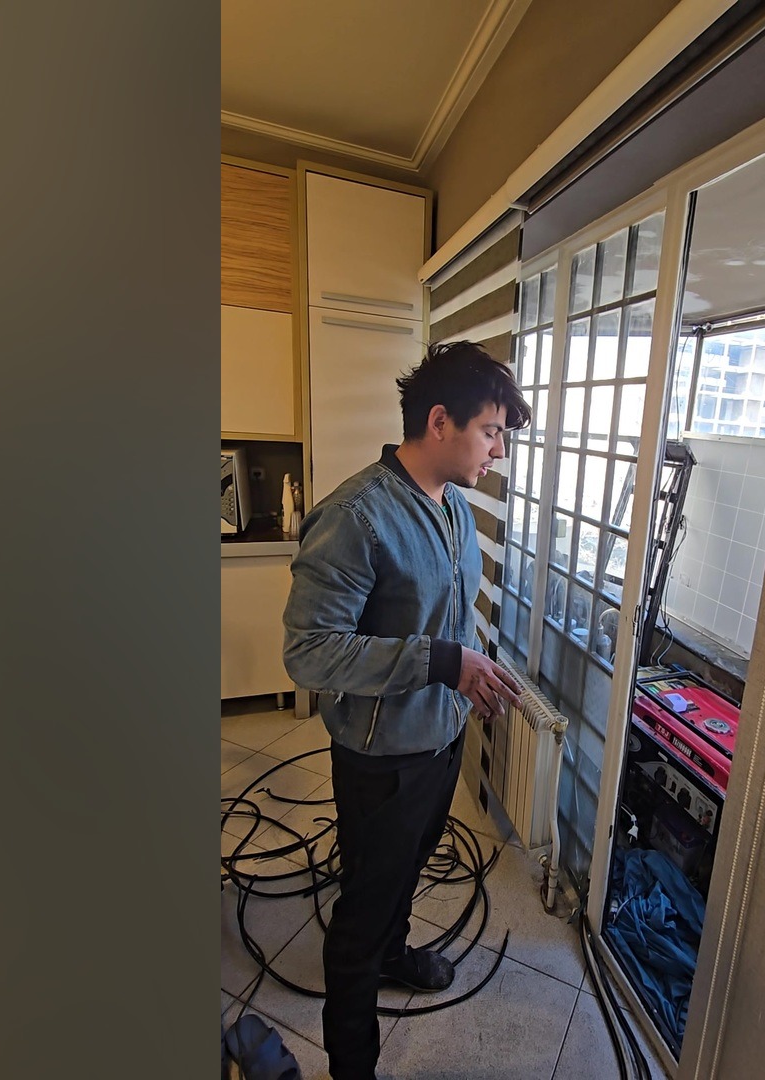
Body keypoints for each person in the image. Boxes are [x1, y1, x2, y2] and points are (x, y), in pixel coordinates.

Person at [282, 339, 530, 1080]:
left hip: (439, 741)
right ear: (440, 421)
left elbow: (447, 619)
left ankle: (394, 953)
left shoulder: (454, 508)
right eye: (490, 431)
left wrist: (472, 673)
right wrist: (443, 663)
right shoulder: (356, 516)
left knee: (409, 869)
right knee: (362, 911)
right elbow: (310, 653)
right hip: (381, 759)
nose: (498, 450)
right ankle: (352, 1062)